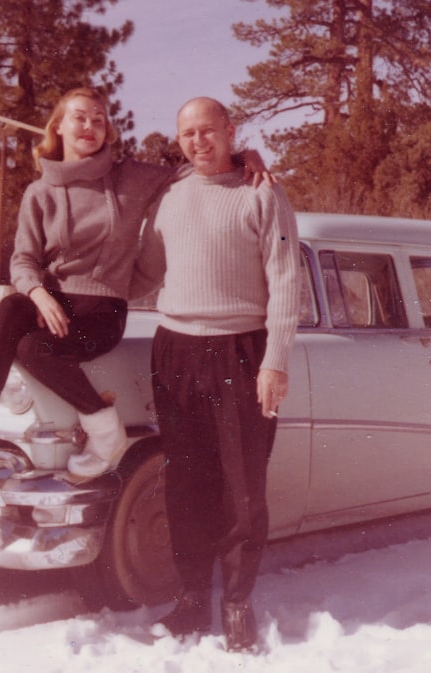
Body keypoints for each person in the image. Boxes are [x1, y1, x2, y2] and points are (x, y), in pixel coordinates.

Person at [0, 87, 268, 482]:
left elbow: (192, 165)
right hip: (53, 304)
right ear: (59, 126)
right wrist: (38, 294)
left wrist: (245, 156)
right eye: (80, 117)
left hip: (101, 312)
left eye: (98, 118)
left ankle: (104, 429)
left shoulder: (129, 177)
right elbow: (23, 260)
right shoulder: (39, 192)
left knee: (30, 349)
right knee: (9, 311)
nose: (90, 125)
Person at [134, 97, 301, 653]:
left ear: (231, 132)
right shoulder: (170, 196)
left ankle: (236, 605)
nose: (198, 141)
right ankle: (189, 600)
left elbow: (285, 280)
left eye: (209, 131)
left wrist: (275, 360)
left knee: (242, 488)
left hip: (242, 353)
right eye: (188, 133)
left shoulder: (263, 193)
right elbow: (144, 274)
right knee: (184, 484)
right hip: (175, 350)